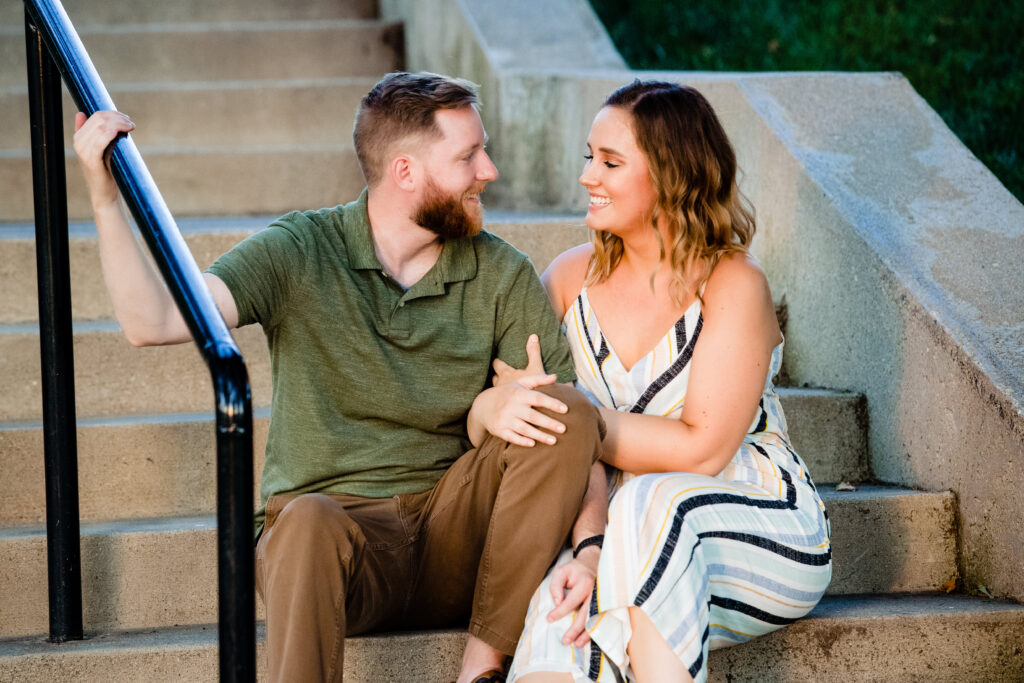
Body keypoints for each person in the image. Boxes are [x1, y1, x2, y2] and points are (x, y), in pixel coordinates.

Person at [72, 71, 606, 683]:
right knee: (306, 520)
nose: (488, 170)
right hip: (335, 550)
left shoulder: (500, 273)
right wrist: (105, 195)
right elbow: (155, 319)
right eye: (469, 156)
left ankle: (481, 669)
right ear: (406, 172)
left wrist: (588, 547)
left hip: (457, 535)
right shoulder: (302, 250)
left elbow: (576, 440)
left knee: (564, 407)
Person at [502, 80, 832, 683]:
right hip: (609, 523)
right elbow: (529, 422)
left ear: (670, 176)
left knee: (654, 506)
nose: (586, 177)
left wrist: (577, 420)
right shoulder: (566, 281)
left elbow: (701, 450)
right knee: (559, 608)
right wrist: (590, 544)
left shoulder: (732, 284)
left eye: (610, 162)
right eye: (588, 156)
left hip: (757, 522)